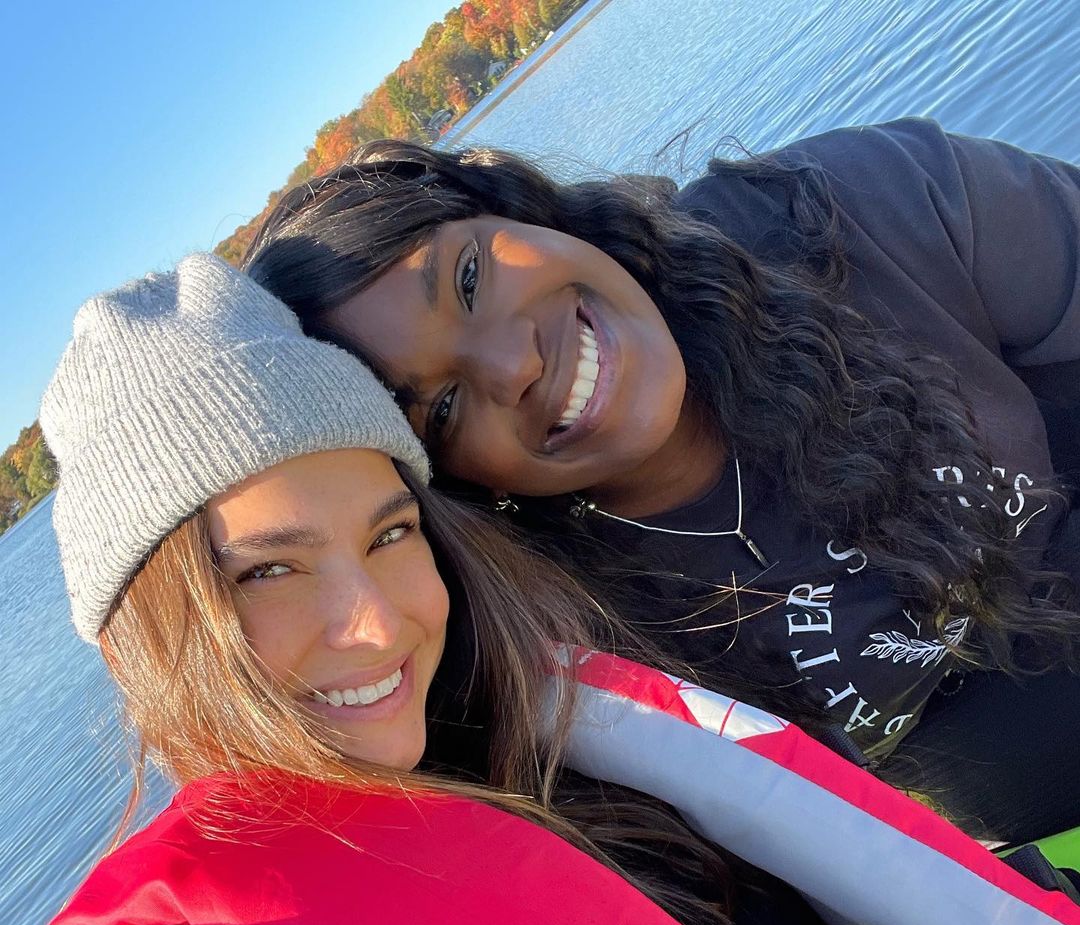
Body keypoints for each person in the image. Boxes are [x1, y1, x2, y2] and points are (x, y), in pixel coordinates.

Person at [3, 253, 1078, 925]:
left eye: (389, 533)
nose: (373, 620)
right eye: (267, 572)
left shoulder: (551, 734)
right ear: (156, 641)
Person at [242, 118, 1080, 846]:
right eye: (446, 407)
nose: (512, 364)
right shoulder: (563, 640)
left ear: (515, 208)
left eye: (468, 278)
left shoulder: (855, 213)